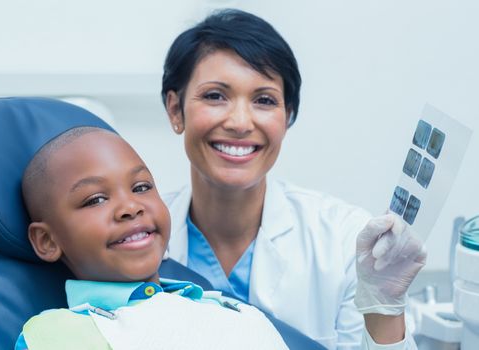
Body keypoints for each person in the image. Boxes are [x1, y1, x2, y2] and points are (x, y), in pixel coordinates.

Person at [161, 9, 426, 349]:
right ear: (174, 109)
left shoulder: (343, 240)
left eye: (264, 100)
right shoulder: (137, 236)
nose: (240, 122)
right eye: (215, 96)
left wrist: (385, 310)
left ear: (286, 118)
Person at [15, 126, 291, 349]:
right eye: (96, 199)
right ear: (47, 241)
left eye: (141, 186)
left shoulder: (228, 309)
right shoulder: (55, 335)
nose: (131, 207)